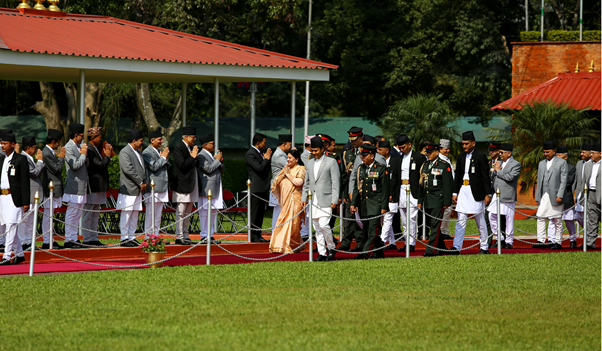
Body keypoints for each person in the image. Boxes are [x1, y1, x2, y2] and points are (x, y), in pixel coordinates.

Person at [450, 131, 491, 255]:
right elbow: (457, 176)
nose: (464, 146)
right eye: (463, 144)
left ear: (473, 143)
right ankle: (456, 247)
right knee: (461, 220)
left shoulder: (480, 156)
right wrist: (454, 192)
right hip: (463, 190)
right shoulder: (461, 156)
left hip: (476, 192)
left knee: (480, 221)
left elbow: (485, 177)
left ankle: (484, 247)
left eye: (466, 144)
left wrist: (488, 194)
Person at [302, 136, 340, 261]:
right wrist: (304, 197)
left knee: (324, 225)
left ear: (323, 149)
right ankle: (322, 252)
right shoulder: (310, 162)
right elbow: (306, 183)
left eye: (316, 150)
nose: (314, 153)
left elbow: (336, 183)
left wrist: (335, 200)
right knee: (317, 228)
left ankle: (331, 247)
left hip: (326, 199)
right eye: (312, 150)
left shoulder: (331, 161)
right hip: (313, 200)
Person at [350, 145, 389, 259]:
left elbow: (385, 190)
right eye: (361, 155)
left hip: (376, 204)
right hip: (364, 205)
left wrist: (384, 206)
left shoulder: (381, 168)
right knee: (366, 230)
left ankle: (364, 253)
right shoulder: (361, 168)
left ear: (372, 156)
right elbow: (358, 187)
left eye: (365, 155)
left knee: (373, 231)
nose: (362, 157)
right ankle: (379, 251)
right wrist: (353, 203)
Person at [417, 143, 453, 256]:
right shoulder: (426, 165)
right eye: (427, 152)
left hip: (438, 199)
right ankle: (441, 248)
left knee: (435, 226)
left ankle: (430, 250)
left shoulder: (443, 165)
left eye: (430, 152)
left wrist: (447, 201)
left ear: (437, 152)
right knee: (432, 225)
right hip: (427, 200)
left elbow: (448, 185)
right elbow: (422, 184)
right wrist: (419, 201)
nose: (428, 154)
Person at [0, 133, 30, 265]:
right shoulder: (1, 159)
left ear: (13, 144)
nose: (2, 146)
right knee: (8, 225)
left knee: (10, 226)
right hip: (3, 196)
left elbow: (25, 181)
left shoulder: (20, 159)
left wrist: (25, 201)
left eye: (5, 143)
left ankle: (7, 256)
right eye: (1, 143)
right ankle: (19, 254)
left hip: (14, 197)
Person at [81, 127, 113, 247]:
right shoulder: (89, 149)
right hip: (93, 186)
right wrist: (107, 156)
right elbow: (99, 165)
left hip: (99, 186)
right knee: (88, 214)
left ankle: (94, 237)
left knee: (95, 214)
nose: (101, 140)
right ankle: (86, 238)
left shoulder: (95, 148)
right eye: (99, 137)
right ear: (93, 138)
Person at [270, 149, 306, 253]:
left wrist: (287, 175)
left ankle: (289, 245)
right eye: (287, 158)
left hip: (295, 200)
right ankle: (280, 245)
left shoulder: (301, 168)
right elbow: (276, 181)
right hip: (285, 201)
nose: (288, 160)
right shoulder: (287, 169)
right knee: (284, 221)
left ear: (297, 159)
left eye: (290, 158)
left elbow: (299, 182)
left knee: (293, 224)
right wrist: (284, 174)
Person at [395, 134, 426, 253]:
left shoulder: (419, 157)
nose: (402, 150)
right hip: (402, 189)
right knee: (404, 219)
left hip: (413, 190)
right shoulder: (398, 159)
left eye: (403, 147)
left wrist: (421, 197)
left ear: (409, 144)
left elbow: (423, 177)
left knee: (411, 217)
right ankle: (406, 241)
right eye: (400, 148)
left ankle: (411, 243)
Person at [533, 141, 567, 250]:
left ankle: (558, 242)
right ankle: (540, 240)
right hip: (544, 195)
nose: (546, 154)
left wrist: (560, 195)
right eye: (544, 152)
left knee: (557, 219)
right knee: (541, 217)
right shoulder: (541, 163)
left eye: (548, 152)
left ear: (553, 151)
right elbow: (539, 181)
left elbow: (563, 181)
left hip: (556, 195)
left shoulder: (561, 162)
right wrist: (537, 196)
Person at [487, 143, 521, 249]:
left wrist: (498, 171)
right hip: (496, 194)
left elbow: (511, 177)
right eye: (500, 152)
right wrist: (495, 171)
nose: (500, 154)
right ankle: (499, 237)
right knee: (491, 215)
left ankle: (509, 241)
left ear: (509, 153)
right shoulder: (499, 162)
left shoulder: (515, 164)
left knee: (509, 218)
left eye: (502, 152)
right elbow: (493, 176)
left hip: (507, 194)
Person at [172, 126, 200, 245]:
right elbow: (182, 165)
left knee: (188, 212)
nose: (195, 139)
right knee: (181, 211)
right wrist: (192, 157)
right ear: (186, 137)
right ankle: (179, 236)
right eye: (193, 137)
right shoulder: (179, 148)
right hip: (182, 184)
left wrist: (194, 157)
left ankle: (186, 235)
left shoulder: (189, 148)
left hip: (191, 183)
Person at [338, 127, 364, 251]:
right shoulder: (347, 152)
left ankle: (360, 242)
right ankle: (346, 242)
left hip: (363, 188)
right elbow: (344, 175)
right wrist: (344, 193)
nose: (352, 142)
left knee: (361, 218)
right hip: (350, 189)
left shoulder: (366, 151)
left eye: (355, 139)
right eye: (351, 139)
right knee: (349, 217)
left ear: (361, 138)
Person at [63, 123, 88, 249]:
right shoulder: (68, 147)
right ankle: (69, 239)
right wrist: (83, 154)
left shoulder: (77, 146)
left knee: (78, 214)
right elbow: (75, 165)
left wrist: (83, 153)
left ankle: (74, 238)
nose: (83, 138)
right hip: (74, 185)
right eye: (82, 136)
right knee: (72, 213)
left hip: (81, 185)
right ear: (76, 135)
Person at [18, 136, 44, 251]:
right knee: (25, 220)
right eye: (34, 147)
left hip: (34, 194)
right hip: (29, 193)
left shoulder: (28, 157)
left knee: (31, 221)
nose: (36, 150)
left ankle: (29, 242)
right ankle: (23, 242)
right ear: (28, 148)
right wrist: (40, 161)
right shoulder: (23, 158)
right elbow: (34, 172)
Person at [142, 128, 170, 237]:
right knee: (150, 215)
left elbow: (166, 166)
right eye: (159, 139)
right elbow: (153, 167)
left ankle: (156, 236)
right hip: (153, 188)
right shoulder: (146, 152)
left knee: (158, 215)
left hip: (162, 187)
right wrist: (163, 158)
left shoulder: (158, 152)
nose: (161, 141)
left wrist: (164, 158)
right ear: (152, 140)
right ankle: (148, 237)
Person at [245, 133, 272, 243]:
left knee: (261, 213)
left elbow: (266, 168)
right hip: (256, 187)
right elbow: (259, 168)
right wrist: (266, 159)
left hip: (263, 187)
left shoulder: (260, 153)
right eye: (264, 142)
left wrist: (266, 159)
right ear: (258, 143)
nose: (265, 145)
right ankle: (253, 235)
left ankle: (258, 234)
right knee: (255, 212)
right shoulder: (250, 154)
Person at [197, 133, 224, 243]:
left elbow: (221, 170)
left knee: (212, 212)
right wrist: (217, 160)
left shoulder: (212, 155)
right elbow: (208, 169)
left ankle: (210, 234)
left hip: (215, 187)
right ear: (205, 145)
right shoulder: (201, 155)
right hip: (206, 188)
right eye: (212, 144)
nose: (214, 146)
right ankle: (204, 235)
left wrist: (220, 160)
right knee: (205, 212)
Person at [41, 128, 65, 250]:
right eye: (59, 142)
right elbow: (56, 169)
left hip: (53, 188)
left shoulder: (49, 152)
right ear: (54, 141)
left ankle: (50, 238)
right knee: (48, 215)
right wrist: (61, 157)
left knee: (50, 215)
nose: (59, 145)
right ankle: (47, 240)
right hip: (49, 188)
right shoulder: (46, 153)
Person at [548, 146, 577, 248]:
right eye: (557, 155)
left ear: (566, 157)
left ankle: (573, 239)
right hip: (553, 197)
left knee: (569, 220)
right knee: (552, 219)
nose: (557, 157)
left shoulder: (571, 168)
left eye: (560, 155)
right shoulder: (551, 165)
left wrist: (555, 185)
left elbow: (568, 182)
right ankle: (551, 240)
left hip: (566, 197)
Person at [377, 140, 400, 250]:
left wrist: (392, 195)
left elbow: (397, 180)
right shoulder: (378, 163)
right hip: (381, 196)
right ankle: (392, 243)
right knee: (384, 220)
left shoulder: (396, 162)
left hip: (392, 196)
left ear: (387, 151)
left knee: (387, 218)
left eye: (380, 150)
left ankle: (382, 241)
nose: (378, 152)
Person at [270, 134, 292, 230]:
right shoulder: (279, 155)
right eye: (290, 145)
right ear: (284, 144)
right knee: (278, 211)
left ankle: (277, 231)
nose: (290, 147)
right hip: (278, 186)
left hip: (281, 186)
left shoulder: (281, 154)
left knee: (281, 210)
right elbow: (290, 166)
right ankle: (275, 231)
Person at [487, 142, 506, 248]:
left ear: (498, 151)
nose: (490, 152)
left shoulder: (502, 163)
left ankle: (501, 239)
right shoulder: (488, 162)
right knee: (489, 217)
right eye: (489, 150)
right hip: (490, 192)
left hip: (499, 192)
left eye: (493, 150)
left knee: (501, 217)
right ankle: (490, 239)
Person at [582, 144, 600, 250]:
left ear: (600, 154)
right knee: (592, 219)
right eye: (591, 153)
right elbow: (584, 181)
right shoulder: (588, 165)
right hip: (590, 193)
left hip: (600, 193)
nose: (591, 155)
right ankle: (590, 242)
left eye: (594, 153)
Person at [438, 139, 454, 240]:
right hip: (443, 190)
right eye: (445, 149)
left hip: (450, 189)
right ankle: (441, 231)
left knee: (448, 211)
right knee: (444, 211)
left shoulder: (448, 159)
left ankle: (445, 231)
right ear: (440, 149)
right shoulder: (439, 160)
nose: (447, 151)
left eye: (448, 149)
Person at [574, 143, 592, 231]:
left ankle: (589, 240)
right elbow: (576, 179)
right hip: (579, 194)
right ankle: (588, 234)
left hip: (590, 195)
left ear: (590, 153)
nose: (581, 154)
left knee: (588, 217)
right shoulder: (579, 163)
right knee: (578, 216)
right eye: (581, 152)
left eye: (584, 152)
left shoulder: (594, 164)